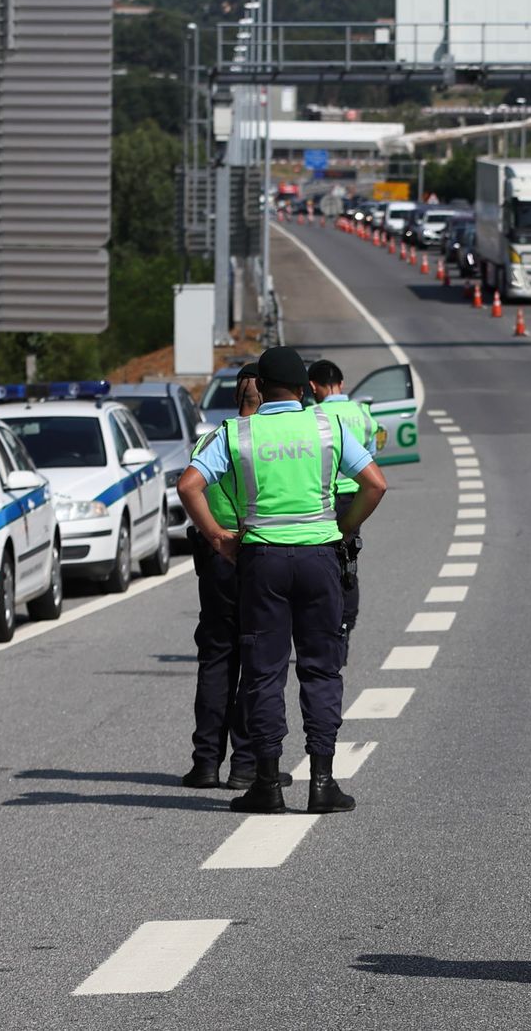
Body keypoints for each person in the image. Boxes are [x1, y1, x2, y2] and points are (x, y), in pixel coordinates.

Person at [178, 347, 388, 814]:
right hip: (319, 557)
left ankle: (267, 784)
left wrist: (216, 536)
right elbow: (375, 483)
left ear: (260, 387)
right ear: (302, 388)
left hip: (261, 559)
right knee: (320, 668)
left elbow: (188, 485)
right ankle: (322, 782)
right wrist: (345, 526)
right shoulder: (327, 426)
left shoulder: (238, 433)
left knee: (264, 671)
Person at [182, 363, 282, 791]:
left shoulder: (212, 439)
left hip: (216, 557)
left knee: (217, 659)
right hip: (257, 555)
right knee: (258, 662)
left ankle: (205, 763)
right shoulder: (266, 440)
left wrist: (216, 538)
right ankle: (246, 765)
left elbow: (193, 489)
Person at [308, 359, 379, 658]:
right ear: (341, 383)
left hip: (321, 500)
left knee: (318, 566)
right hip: (354, 500)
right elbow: (370, 460)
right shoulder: (363, 414)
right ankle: (345, 628)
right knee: (348, 564)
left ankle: (320, 629)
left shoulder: (311, 415)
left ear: (313, 387)